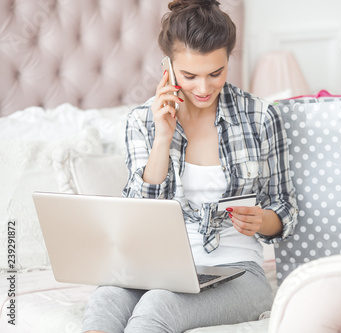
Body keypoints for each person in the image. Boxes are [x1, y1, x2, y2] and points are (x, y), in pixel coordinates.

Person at [82, 0, 297, 332]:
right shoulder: (142, 121)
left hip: (237, 270)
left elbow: (285, 207)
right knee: (105, 301)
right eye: (189, 75)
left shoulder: (261, 117)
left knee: (159, 305)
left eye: (216, 73)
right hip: (155, 265)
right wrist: (162, 139)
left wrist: (263, 220)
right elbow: (139, 215)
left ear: (229, 58)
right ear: (167, 66)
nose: (203, 88)